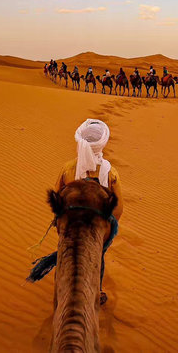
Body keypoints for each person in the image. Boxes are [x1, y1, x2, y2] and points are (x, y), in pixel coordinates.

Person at [52, 119, 123, 304]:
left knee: (64, 254)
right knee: (97, 256)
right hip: (98, 227)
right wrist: (105, 228)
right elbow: (118, 208)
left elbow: (57, 197)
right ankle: (96, 291)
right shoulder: (110, 173)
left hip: (69, 225)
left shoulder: (68, 169)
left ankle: (60, 289)